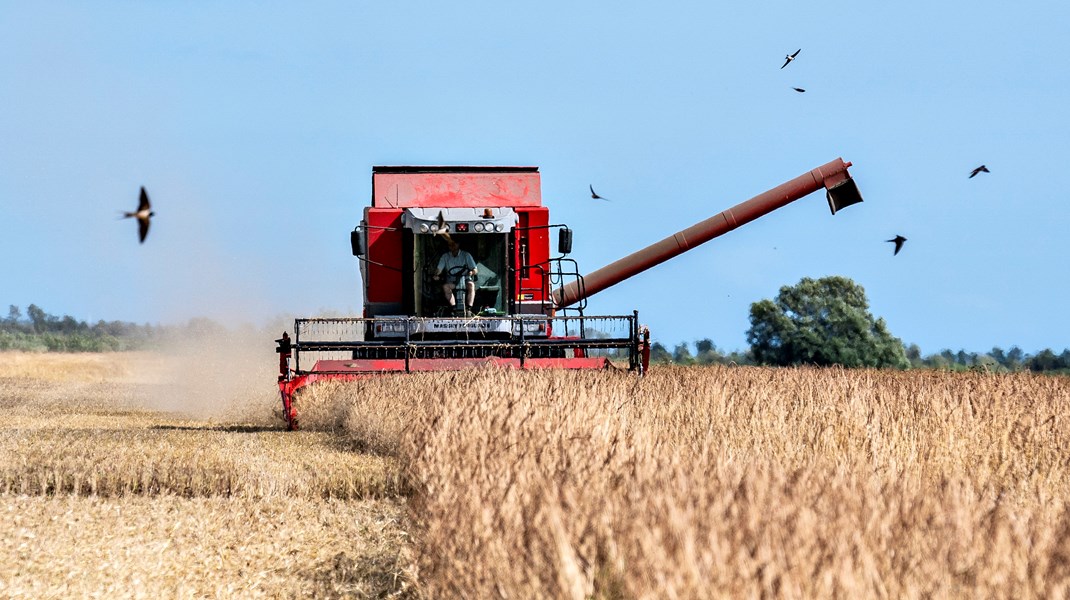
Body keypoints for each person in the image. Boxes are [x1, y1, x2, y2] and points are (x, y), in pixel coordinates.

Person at [433, 239, 477, 314]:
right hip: (452, 281)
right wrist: (436, 274)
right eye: (450, 244)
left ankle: (469, 308)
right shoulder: (445, 256)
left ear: (458, 244)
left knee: (471, 285)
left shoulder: (466, 255)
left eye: (455, 243)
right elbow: (439, 269)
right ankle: (454, 308)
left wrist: (471, 272)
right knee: (445, 287)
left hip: (465, 279)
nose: (453, 246)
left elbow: (475, 270)